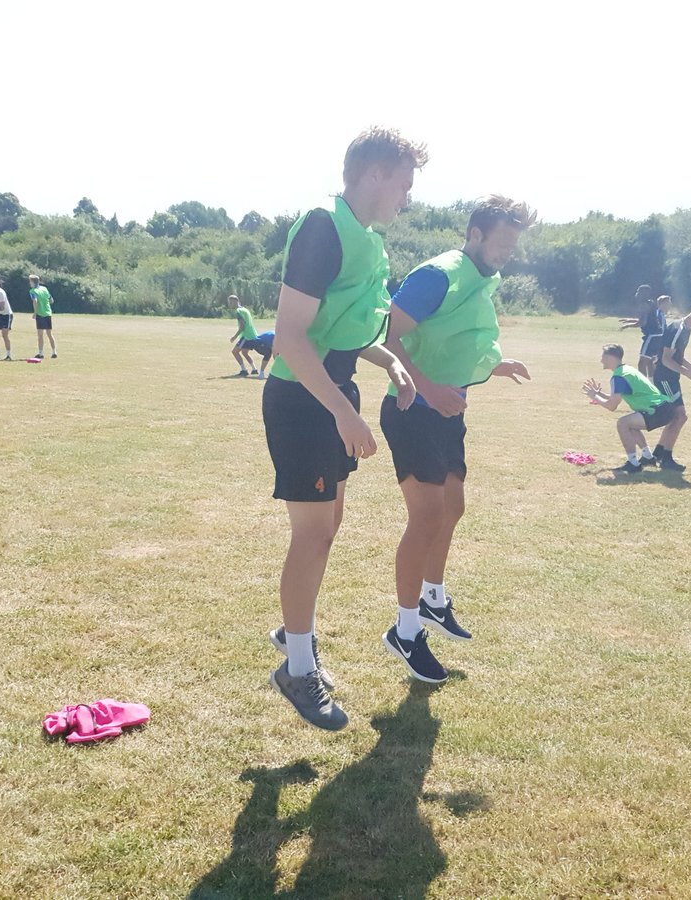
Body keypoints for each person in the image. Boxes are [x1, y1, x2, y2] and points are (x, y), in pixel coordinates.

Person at [264, 127, 427, 731]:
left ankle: (292, 627)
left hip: (332, 393)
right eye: (404, 184)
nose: (406, 198)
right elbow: (291, 338)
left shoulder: (364, 237)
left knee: (328, 525)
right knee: (312, 533)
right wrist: (341, 410)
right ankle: (297, 667)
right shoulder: (322, 226)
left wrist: (389, 361)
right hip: (304, 399)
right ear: (375, 173)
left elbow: (343, 330)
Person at [379, 195, 537, 683]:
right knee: (426, 516)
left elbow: (461, 336)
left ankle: (432, 599)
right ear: (475, 234)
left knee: (452, 508)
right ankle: (404, 631)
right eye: (503, 242)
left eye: (515, 244)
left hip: (446, 413)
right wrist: (426, 388)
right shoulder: (439, 274)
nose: (509, 252)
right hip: (412, 410)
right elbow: (389, 336)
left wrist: (497, 364)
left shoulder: (481, 279)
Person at [581, 343, 677, 473]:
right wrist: (598, 394)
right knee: (630, 424)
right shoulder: (626, 370)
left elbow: (612, 406)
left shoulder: (618, 377)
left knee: (623, 423)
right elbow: (614, 398)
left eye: (603, 356)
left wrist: (594, 397)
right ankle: (648, 457)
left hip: (657, 410)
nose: (601, 360)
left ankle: (633, 463)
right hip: (664, 408)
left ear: (611, 357)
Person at [650, 301, 691, 471]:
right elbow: (666, 359)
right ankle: (666, 458)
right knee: (679, 417)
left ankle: (659, 453)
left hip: (672, 378)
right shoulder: (677, 329)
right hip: (664, 378)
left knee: (678, 417)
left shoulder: (686, 330)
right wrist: (687, 373)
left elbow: (679, 356)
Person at [622, 294, 672, 379]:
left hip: (653, 338)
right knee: (650, 362)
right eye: (668, 303)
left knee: (643, 363)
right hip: (658, 340)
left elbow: (643, 322)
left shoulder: (658, 313)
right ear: (662, 304)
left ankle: (644, 384)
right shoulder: (658, 313)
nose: (670, 306)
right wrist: (630, 321)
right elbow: (647, 321)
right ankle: (651, 382)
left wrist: (628, 325)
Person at [228, 295, 259, 376]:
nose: (230, 304)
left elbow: (242, 326)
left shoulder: (238, 311)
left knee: (235, 352)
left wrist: (234, 337)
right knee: (245, 352)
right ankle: (254, 369)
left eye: (231, 302)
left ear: (236, 301)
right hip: (252, 335)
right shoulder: (245, 309)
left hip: (246, 336)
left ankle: (244, 370)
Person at [28, 275, 57, 359]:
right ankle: (54, 352)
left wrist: (35, 312)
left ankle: (40, 353)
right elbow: (51, 300)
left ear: (33, 282)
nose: (29, 283)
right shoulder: (44, 289)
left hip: (40, 314)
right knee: (49, 334)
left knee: (40, 335)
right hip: (48, 313)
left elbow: (35, 301)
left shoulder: (33, 291)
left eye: (30, 281)